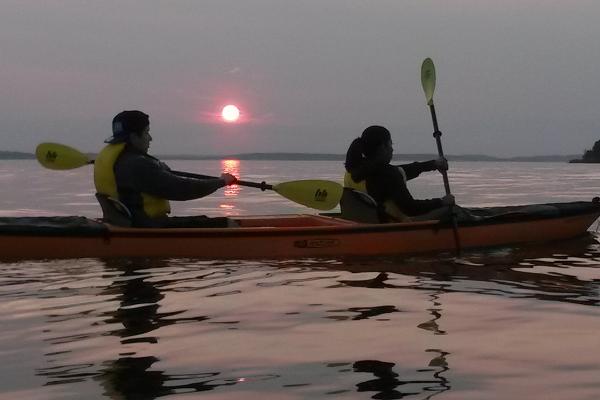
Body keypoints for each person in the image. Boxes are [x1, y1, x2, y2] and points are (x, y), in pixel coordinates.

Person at [94, 110, 238, 228]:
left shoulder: (117, 159)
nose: (150, 138)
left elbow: (149, 177)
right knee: (227, 224)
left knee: (203, 220)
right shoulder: (138, 165)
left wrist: (158, 169)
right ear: (133, 137)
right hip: (146, 227)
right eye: (146, 132)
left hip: (127, 224)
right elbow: (183, 189)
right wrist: (220, 182)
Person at [344, 125, 454, 222]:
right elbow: (411, 208)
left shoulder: (352, 171)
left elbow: (401, 171)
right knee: (453, 211)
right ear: (383, 147)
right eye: (391, 144)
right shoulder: (388, 174)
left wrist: (433, 164)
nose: (392, 149)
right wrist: (442, 202)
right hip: (391, 226)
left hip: (363, 225)